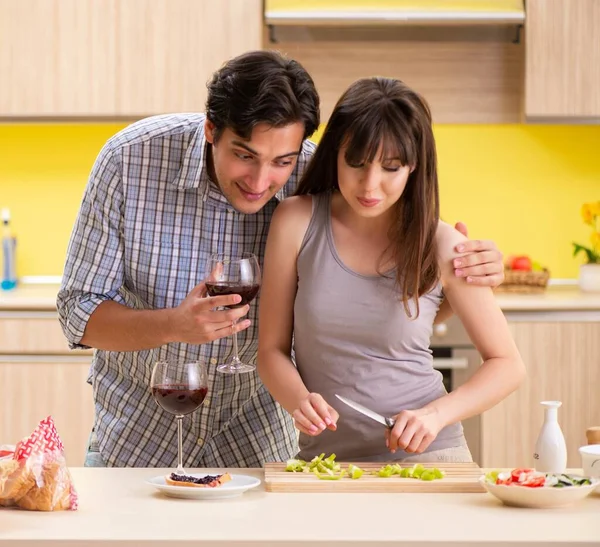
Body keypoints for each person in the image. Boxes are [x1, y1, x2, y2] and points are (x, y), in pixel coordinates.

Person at [57, 50, 506, 469]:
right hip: (141, 438)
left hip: (258, 443)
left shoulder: (319, 179)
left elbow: (388, 293)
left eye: (282, 161)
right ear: (211, 128)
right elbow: (78, 313)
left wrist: (472, 274)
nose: (260, 179)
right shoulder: (130, 160)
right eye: (244, 155)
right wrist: (175, 324)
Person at [257, 76, 526, 463]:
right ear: (335, 154)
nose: (370, 185)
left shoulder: (443, 244)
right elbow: (271, 351)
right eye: (356, 163)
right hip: (326, 461)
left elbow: (508, 365)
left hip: (430, 455)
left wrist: (435, 415)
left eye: (391, 168)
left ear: (413, 167)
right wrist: (298, 400)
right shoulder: (295, 221)